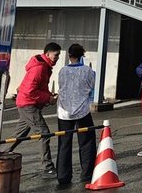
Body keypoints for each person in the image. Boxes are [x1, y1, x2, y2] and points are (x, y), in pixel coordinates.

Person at [10, 42, 61, 177]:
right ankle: (47, 167)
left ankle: (2, 153)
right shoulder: (40, 68)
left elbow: (32, 88)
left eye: (59, 56)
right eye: (56, 55)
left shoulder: (43, 67)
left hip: (27, 103)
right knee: (44, 133)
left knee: (19, 134)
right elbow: (29, 91)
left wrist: (48, 96)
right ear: (47, 54)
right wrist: (48, 98)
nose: (57, 58)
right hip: (28, 104)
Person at [55, 43, 97, 187]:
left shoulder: (62, 71)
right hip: (82, 110)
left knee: (64, 144)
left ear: (69, 55)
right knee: (86, 142)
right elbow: (92, 86)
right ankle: (87, 173)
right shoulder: (87, 71)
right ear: (82, 55)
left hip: (64, 111)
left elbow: (61, 86)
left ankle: (63, 176)